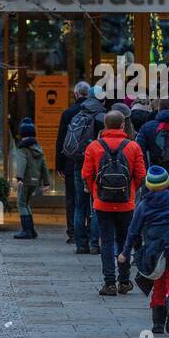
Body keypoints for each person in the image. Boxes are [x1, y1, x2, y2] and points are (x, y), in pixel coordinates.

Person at [81, 109, 147, 296]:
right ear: (122, 125)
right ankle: (124, 281)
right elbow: (142, 175)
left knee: (107, 241)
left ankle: (109, 283)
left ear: (104, 125)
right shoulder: (133, 146)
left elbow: (86, 174)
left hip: (102, 203)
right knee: (124, 241)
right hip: (127, 203)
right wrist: (131, 189)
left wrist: (95, 191)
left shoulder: (94, 146)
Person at [121, 166, 169, 334]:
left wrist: (125, 252)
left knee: (158, 283)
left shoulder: (144, 204)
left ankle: (158, 323)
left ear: (148, 185)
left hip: (154, 248)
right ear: (166, 183)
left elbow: (133, 230)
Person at [64, 86, 106, 255]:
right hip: (97, 167)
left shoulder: (77, 115)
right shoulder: (102, 117)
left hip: (78, 165)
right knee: (96, 205)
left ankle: (81, 244)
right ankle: (95, 244)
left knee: (80, 206)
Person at [56, 81, 92, 245]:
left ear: (76, 94)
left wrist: (59, 165)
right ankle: (91, 232)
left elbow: (61, 140)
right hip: (91, 161)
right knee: (90, 199)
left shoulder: (68, 112)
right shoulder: (95, 112)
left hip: (71, 161)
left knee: (73, 199)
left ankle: (73, 233)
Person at [13, 117, 50, 240]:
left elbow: (22, 163)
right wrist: (46, 182)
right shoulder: (38, 148)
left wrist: (19, 178)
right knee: (26, 203)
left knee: (21, 203)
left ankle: (26, 230)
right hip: (35, 181)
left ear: (22, 134)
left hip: (25, 180)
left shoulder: (23, 148)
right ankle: (31, 230)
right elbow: (44, 166)